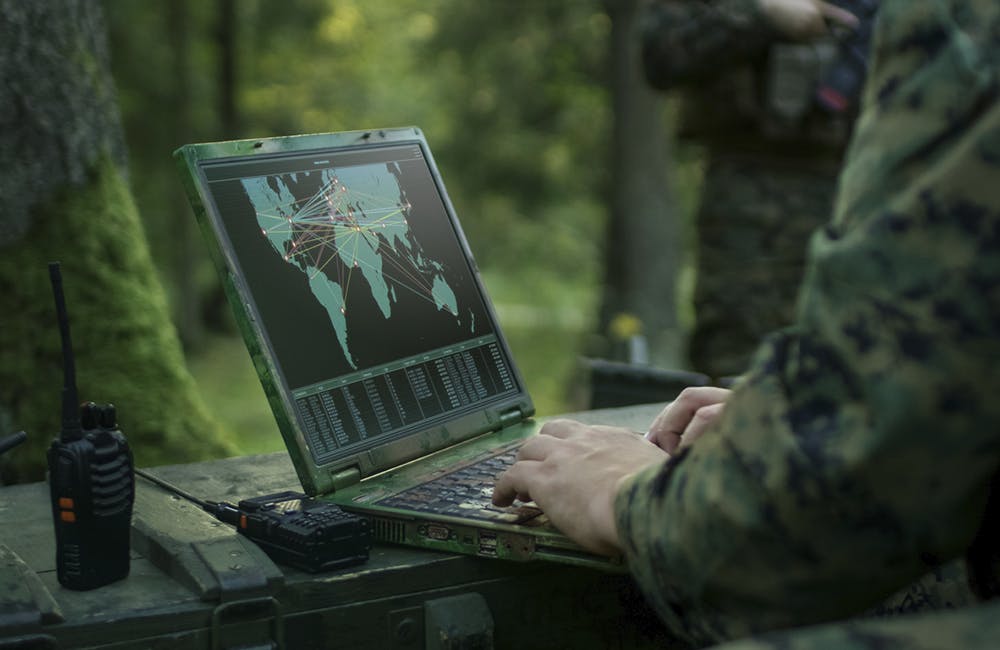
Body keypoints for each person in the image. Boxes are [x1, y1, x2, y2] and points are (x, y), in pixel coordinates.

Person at [494, 0, 1000, 646]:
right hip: (757, 202)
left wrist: (634, 500)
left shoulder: (964, 29)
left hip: (841, 188)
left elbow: (762, 554)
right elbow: (663, 48)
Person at [641, 0, 876, 380]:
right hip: (752, 192)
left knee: (855, 359)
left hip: (868, 188)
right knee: (737, 360)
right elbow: (659, 53)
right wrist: (761, 14)